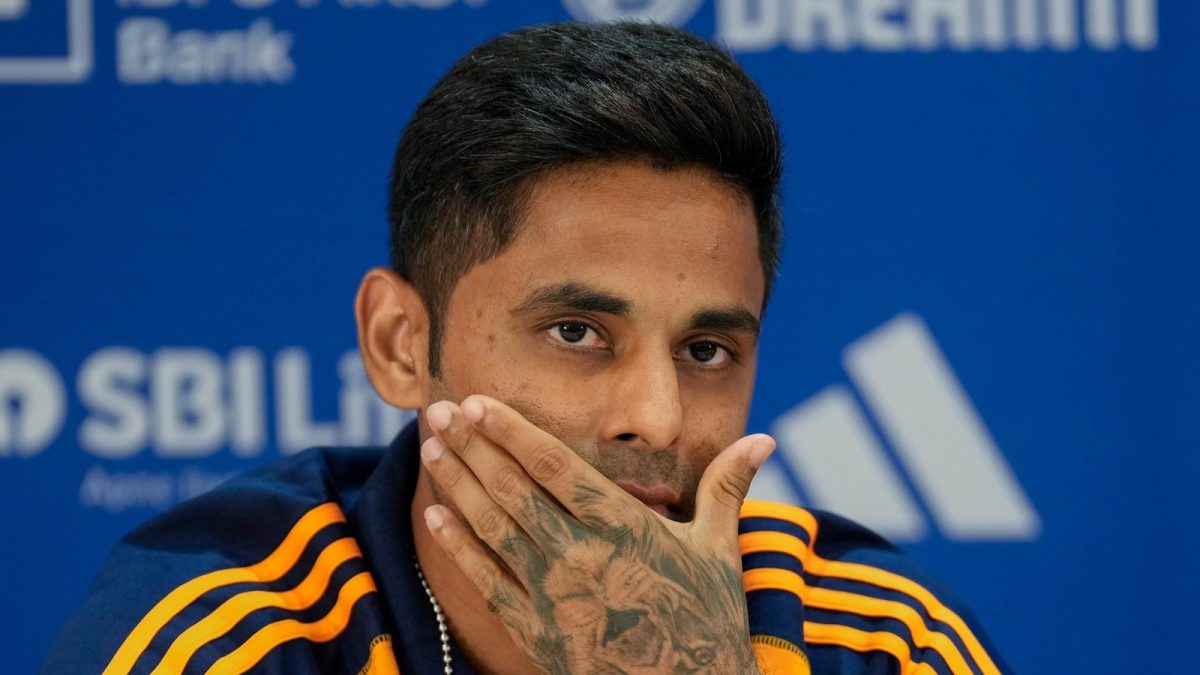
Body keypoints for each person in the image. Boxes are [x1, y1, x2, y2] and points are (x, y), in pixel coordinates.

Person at [44, 21, 1007, 675]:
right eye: (576, 332)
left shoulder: (877, 638)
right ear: (400, 344)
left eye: (707, 349)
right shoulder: (221, 637)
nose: (657, 418)